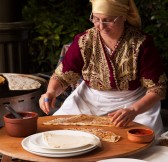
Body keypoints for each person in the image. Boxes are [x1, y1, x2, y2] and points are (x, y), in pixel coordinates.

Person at [39, 0, 167, 137]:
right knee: (57, 133)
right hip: (90, 99)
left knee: (141, 143)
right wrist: (51, 92)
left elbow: (158, 89)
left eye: (108, 20)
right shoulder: (84, 41)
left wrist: (133, 110)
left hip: (134, 101)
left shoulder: (141, 43)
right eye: (96, 19)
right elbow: (62, 76)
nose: (101, 26)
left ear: (123, 16)